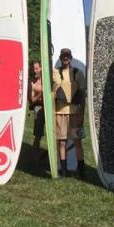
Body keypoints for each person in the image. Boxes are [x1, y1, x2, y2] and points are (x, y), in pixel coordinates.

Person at [52, 48, 86, 178]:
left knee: (78, 142)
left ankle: (81, 171)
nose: (65, 58)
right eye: (63, 57)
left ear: (70, 58)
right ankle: (64, 171)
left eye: (67, 56)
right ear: (61, 58)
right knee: (62, 142)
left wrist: (82, 114)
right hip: (59, 112)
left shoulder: (78, 73)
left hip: (75, 113)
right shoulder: (55, 72)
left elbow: (82, 96)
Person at [28, 61, 45, 161]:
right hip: (38, 108)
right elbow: (31, 101)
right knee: (38, 134)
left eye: (36, 68)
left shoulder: (46, 79)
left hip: (49, 107)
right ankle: (35, 157)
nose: (35, 71)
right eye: (33, 69)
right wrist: (40, 94)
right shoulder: (31, 83)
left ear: (41, 68)